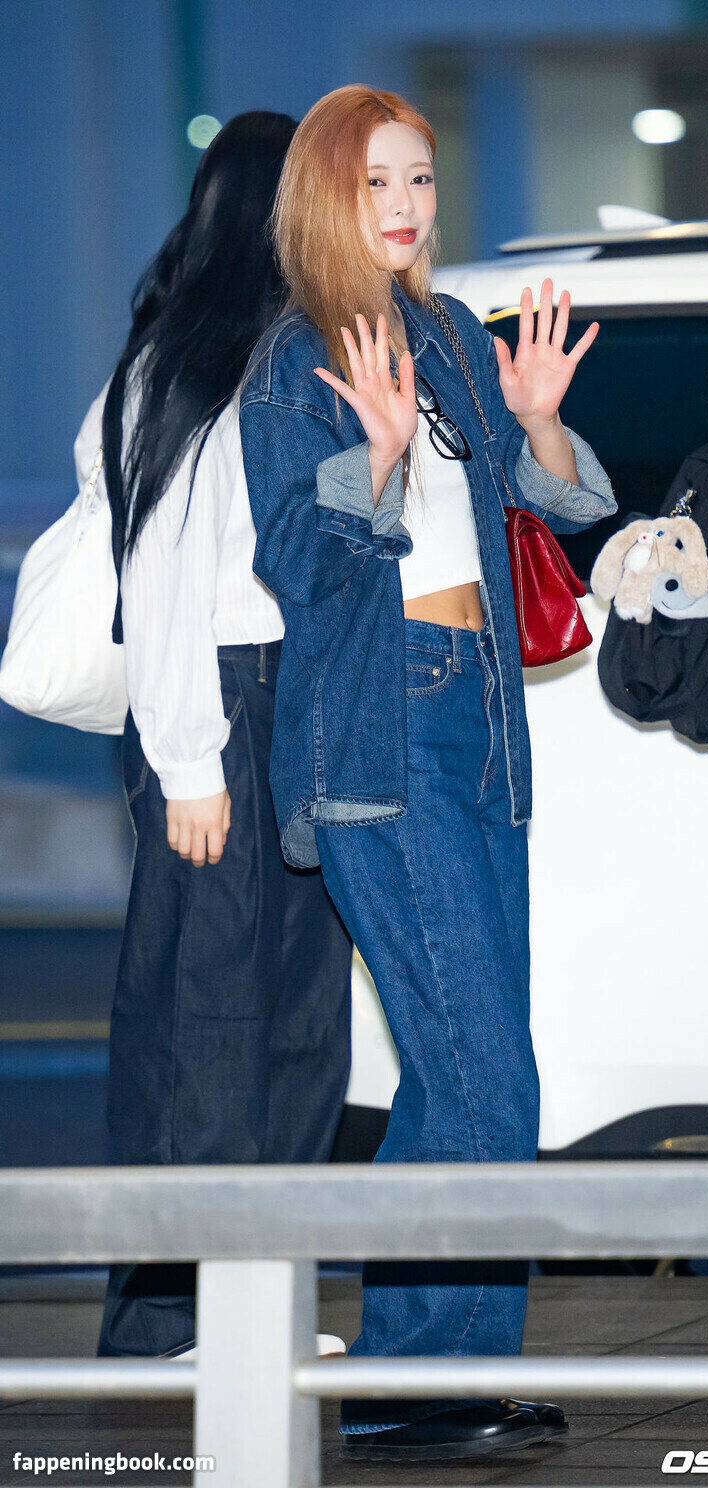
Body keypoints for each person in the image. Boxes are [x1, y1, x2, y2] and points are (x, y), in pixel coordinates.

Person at [240, 84, 616, 1461]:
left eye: (421, 181)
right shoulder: (294, 362)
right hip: (378, 729)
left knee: (467, 1075)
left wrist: (543, 422)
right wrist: (380, 462)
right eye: (376, 183)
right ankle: (415, 1379)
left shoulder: (449, 330)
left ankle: (437, 1367)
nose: (404, 207)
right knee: (481, 1074)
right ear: (324, 198)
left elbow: (556, 505)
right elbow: (294, 560)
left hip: (481, 718)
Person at [83, 111, 353, 1361]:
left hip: (290, 697)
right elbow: (162, 578)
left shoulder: (288, 350)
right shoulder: (185, 364)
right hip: (220, 701)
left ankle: (258, 1316)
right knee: (204, 1017)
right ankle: (167, 1323)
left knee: (299, 1019)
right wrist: (190, 761)